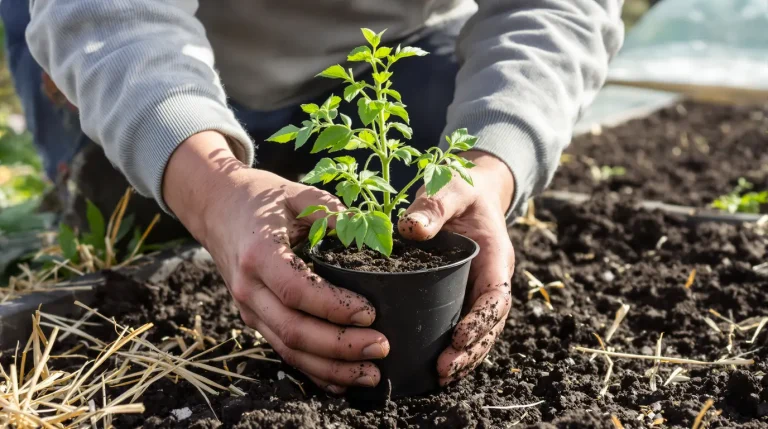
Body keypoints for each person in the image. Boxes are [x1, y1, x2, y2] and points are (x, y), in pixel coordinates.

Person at [2, 0, 623, 394]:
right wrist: (212, 190)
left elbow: (556, 9)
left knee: (427, 185)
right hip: (139, 43)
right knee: (125, 219)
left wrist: (492, 167)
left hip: (382, 54)